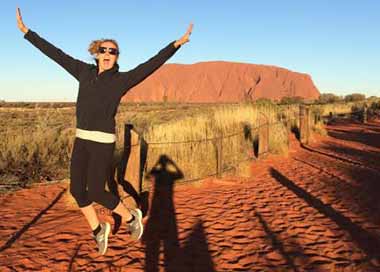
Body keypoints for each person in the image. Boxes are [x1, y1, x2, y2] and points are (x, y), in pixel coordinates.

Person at [16, 7, 193, 255]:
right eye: (104, 50)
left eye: (113, 51)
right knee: (78, 190)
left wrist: (177, 44)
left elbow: (151, 64)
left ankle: (131, 218)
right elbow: (56, 54)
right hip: (82, 140)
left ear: (117, 57)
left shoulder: (121, 80)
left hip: (102, 142)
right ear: (96, 54)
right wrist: (27, 32)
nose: (108, 54)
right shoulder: (83, 72)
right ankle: (99, 230)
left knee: (97, 190)